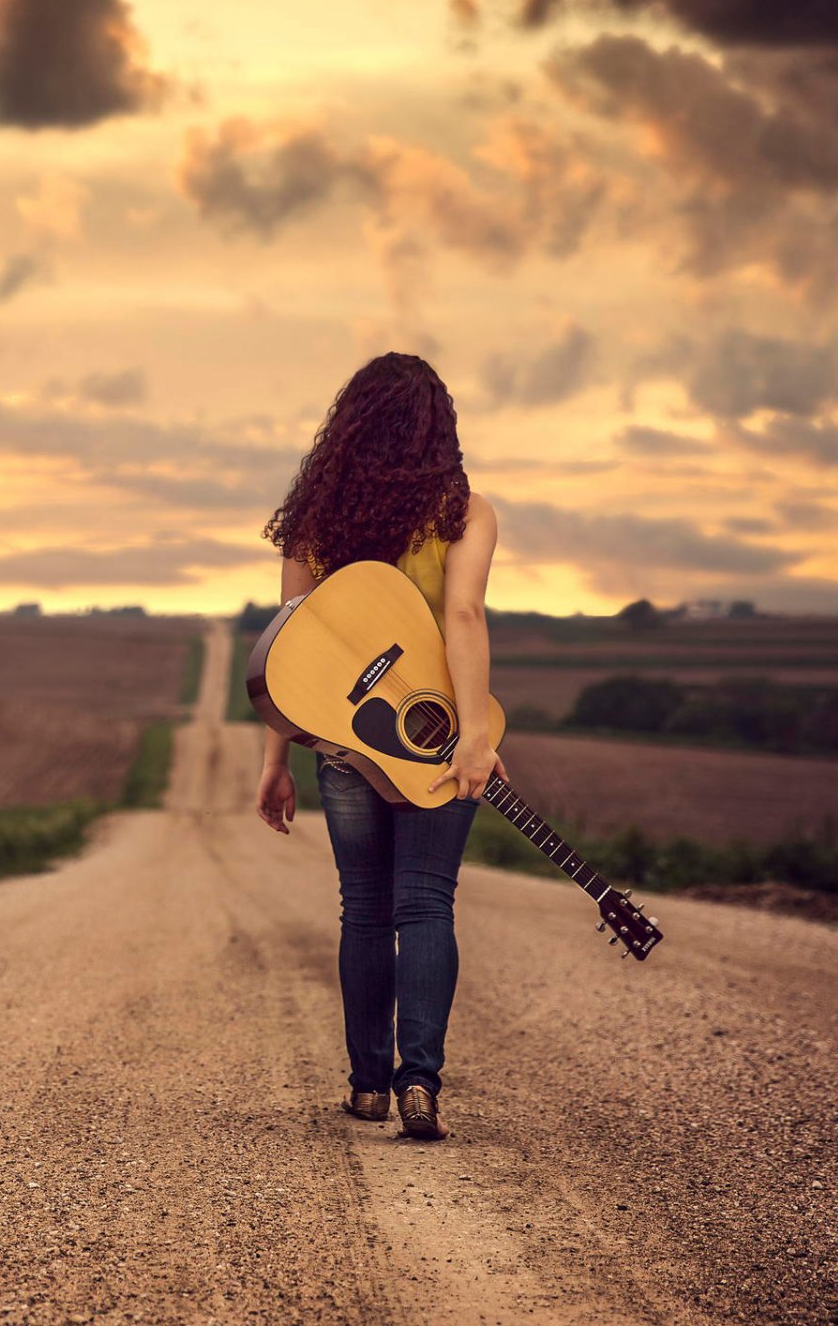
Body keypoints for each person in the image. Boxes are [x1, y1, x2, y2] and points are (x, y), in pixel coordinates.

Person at [252, 352, 505, 1143]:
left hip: (343, 746)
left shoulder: (318, 521)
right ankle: (419, 1083)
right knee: (426, 902)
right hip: (436, 741)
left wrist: (275, 762)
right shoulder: (465, 514)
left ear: (348, 427)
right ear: (440, 431)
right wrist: (469, 737)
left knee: (364, 909)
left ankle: (368, 1086)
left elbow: (291, 658)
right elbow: (462, 620)